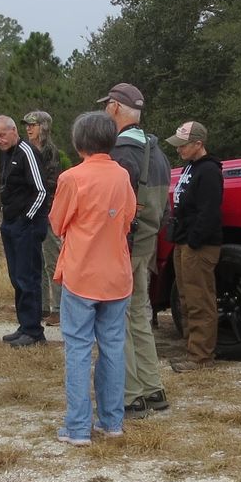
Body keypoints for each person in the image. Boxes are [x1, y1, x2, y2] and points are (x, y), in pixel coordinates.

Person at [50, 112, 137, 445]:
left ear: (78, 142)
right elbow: (128, 219)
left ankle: (77, 427)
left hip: (82, 274)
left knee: (78, 349)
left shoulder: (72, 178)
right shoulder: (122, 175)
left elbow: (57, 223)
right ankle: (112, 422)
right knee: (113, 347)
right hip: (116, 274)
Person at [98, 82, 172, 417]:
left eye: (106, 105)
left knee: (119, 319)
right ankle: (153, 387)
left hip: (125, 246)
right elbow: (164, 207)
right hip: (147, 244)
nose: (104, 111)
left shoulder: (120, 152)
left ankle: (130, 395)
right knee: (140, 314)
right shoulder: (156, 151)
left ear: (115, 107)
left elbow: (115, 208)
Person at [165, 120, 223, 372]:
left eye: (183, 145)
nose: (179, 149)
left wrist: (194, 240)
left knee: (199, 299)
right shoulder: (191, 167)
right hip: (184, 242)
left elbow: (209, 212)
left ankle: (201, 356)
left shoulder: (209, 171)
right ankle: (192, 348)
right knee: (186, 297)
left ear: (198, 144)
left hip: (198, 245)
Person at [0, 114, 49, 348]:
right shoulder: (4, 154)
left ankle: (34, 332)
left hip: (27, 226)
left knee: (28, 277)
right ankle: (25, 325)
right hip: (10, 222)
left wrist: (26, 219)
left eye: (2, 135)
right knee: (16, 277)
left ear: (14, 130)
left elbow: (41, 190)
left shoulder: (27, 152)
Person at [23, 110, 63, 326]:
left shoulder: (50, 152)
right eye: (27, 125)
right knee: (35, 261)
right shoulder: (26, 149)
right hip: (31, 212)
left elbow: (50, 184)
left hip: (47, 212)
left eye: (33, 124)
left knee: (52, 261)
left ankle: (58, 308)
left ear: (43, 127)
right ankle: (42, 307)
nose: (29, 128)